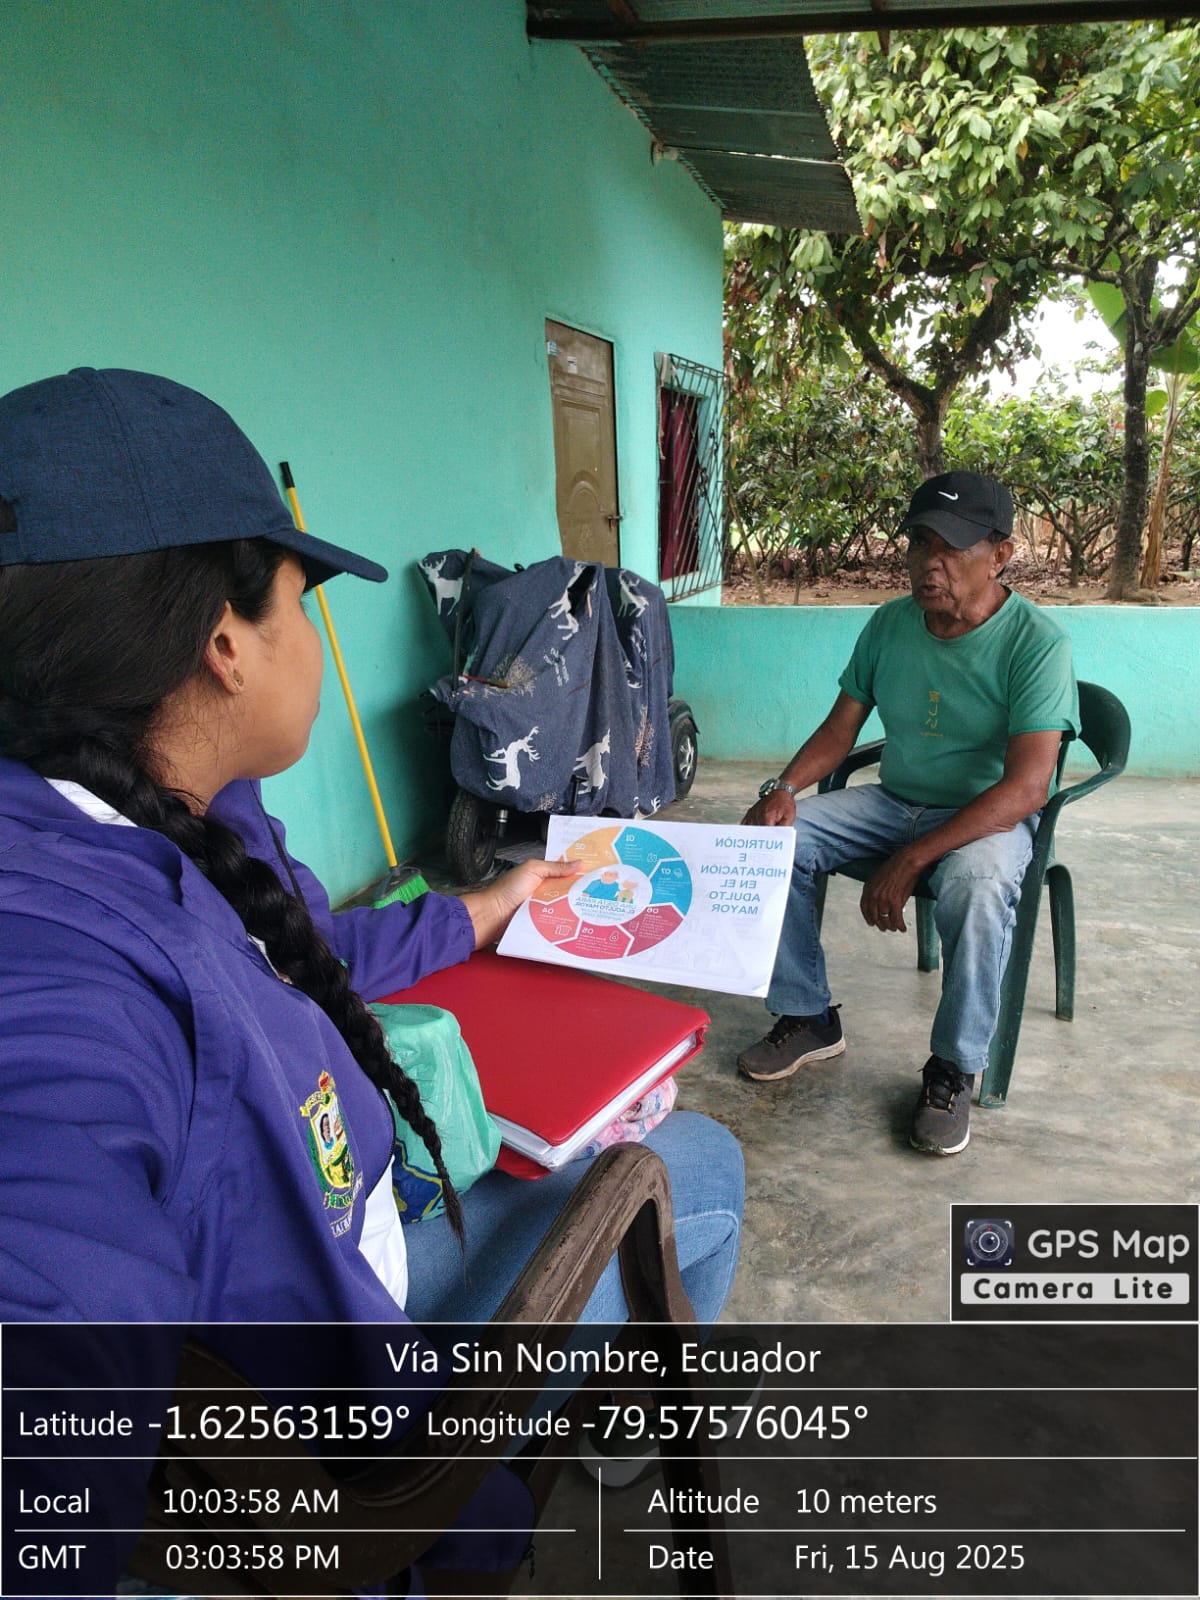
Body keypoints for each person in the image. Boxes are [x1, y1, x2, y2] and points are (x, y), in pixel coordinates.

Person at [0, 367, 743, 1582]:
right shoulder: (59, 966)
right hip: (365, 1411)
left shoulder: (181, 807)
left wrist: (485, 910)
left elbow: (299, 944)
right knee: (697, 1165)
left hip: (350, 1233)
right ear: (226, 643)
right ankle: (614, 1415)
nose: (315, 636)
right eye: (305, 602)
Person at [737, 471, 1078, 1156]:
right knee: (771, 842)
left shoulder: (1037, 643)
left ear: (1000, 555)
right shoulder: (890, 624)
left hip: (985, 816)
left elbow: (1026, 788)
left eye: (950, 548)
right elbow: (839, 730)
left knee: (977, 885)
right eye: (920, 543)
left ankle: (953, 1066)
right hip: (894, 800)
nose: (929, 563)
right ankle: (808, 1015)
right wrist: (784, 786)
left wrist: (915, 857)